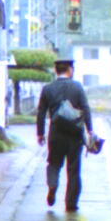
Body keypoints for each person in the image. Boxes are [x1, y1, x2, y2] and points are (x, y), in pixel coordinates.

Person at [36, 59, 93, 212]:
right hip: (75, 134)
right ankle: (71, 203)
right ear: (70, 70)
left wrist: (40, 133)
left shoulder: (48, 88)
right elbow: (86, 108)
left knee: (54, 163)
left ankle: (52, 185)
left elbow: (41, 112)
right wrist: (90, 130)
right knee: (73, 169)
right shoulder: (77, 87)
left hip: (56, 133)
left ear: (56, 71)